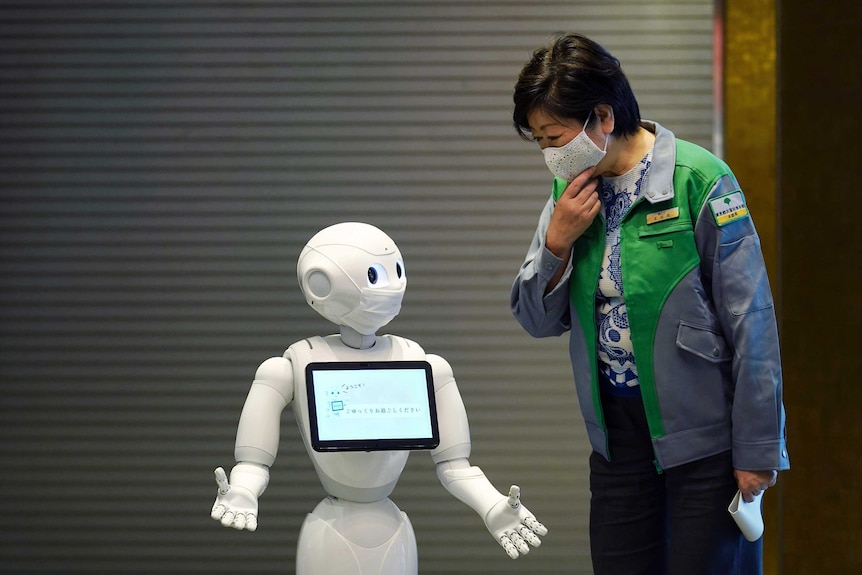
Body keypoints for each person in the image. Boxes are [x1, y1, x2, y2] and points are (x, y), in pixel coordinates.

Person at [509, 33, 789, 575]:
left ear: (602, 116)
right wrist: (557, 242)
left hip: (705, 439)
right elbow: (536, 319)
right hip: (619, 441)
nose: (549, 153)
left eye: (554, 135)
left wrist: (758, 448)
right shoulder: (570, 193)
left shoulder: (700, 180)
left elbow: (752, 322)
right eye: (540, 140)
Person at [210, 222, 546, 574]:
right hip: (329, 532)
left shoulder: (423, 363)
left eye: (394, 272)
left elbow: (454, 465)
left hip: (393, 530)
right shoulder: (291, 365)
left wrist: (492, 506)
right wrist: (243, 490)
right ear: (319, 283)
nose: (390, 286)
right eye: (374, 275)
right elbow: (253, 461)